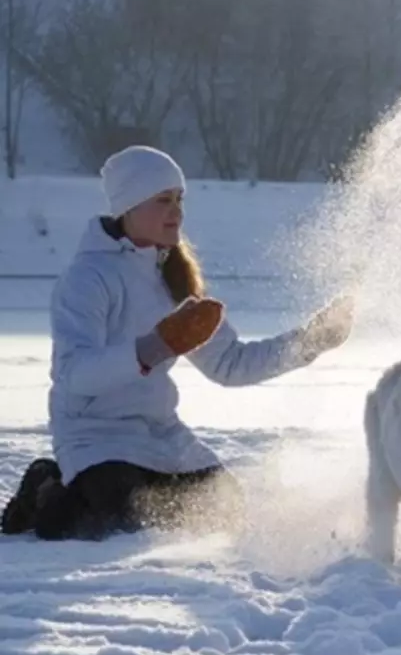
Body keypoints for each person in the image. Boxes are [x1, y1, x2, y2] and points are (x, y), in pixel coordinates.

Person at [0, 145, 354, 541]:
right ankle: (45, 487)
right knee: (119, 519)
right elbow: (74, 374)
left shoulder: (175, 279)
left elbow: (231, 364)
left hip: (161, 434)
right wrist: (152, 347)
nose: (177, 212)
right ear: (128, 208)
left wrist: (310, 341)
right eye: (163, 200)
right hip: (95, 435)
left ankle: (90, 489)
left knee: (224, 510)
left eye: (180, 199)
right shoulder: (87, 279)